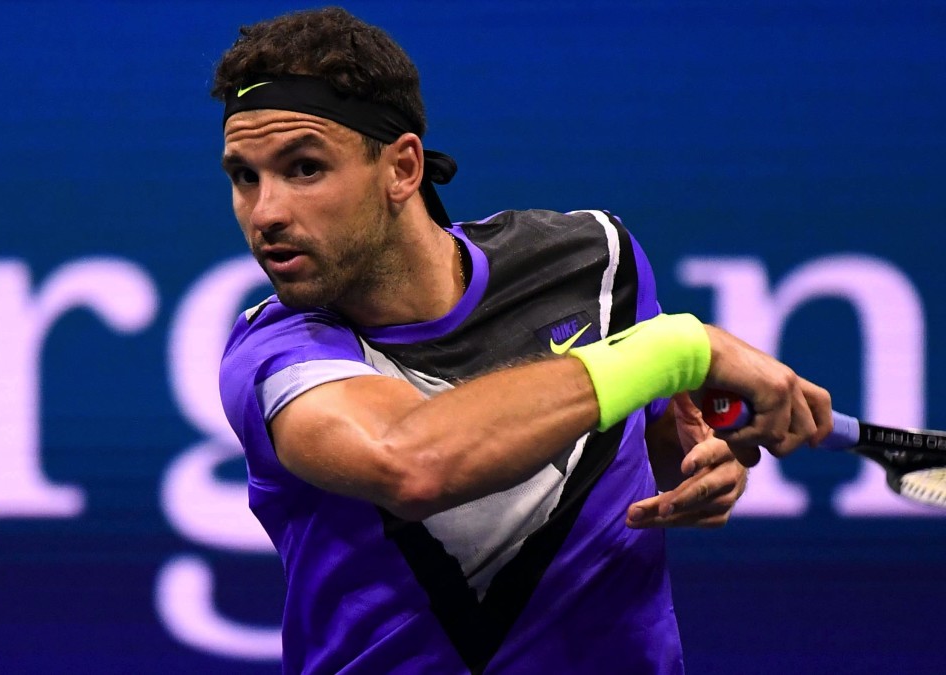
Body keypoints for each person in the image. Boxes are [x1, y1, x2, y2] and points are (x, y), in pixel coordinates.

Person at [213, 7, 832, 674]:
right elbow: (412, 462)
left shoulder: (595, 261)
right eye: (245, 176)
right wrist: (679, 348)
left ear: (402, 168)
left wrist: (701, 458)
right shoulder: (275, 356)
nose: (267, 212)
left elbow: (655, 442)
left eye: (304, 168)